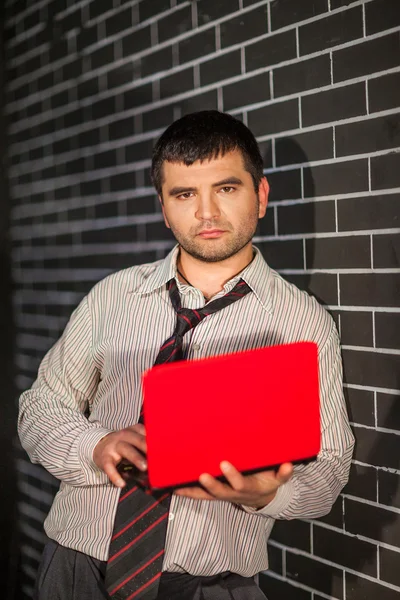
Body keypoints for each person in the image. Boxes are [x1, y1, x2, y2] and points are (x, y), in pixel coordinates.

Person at [18, 110, 355, 600]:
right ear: (163, 205)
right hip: (74, 570)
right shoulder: (113, 296)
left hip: (209, 585)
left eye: (227, 188)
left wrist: (268, 495)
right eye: (184, 194)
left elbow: (329, 468)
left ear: (260, 196)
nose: (207, 214)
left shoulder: (303, 323)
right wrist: (96, 446)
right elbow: (39, 409)